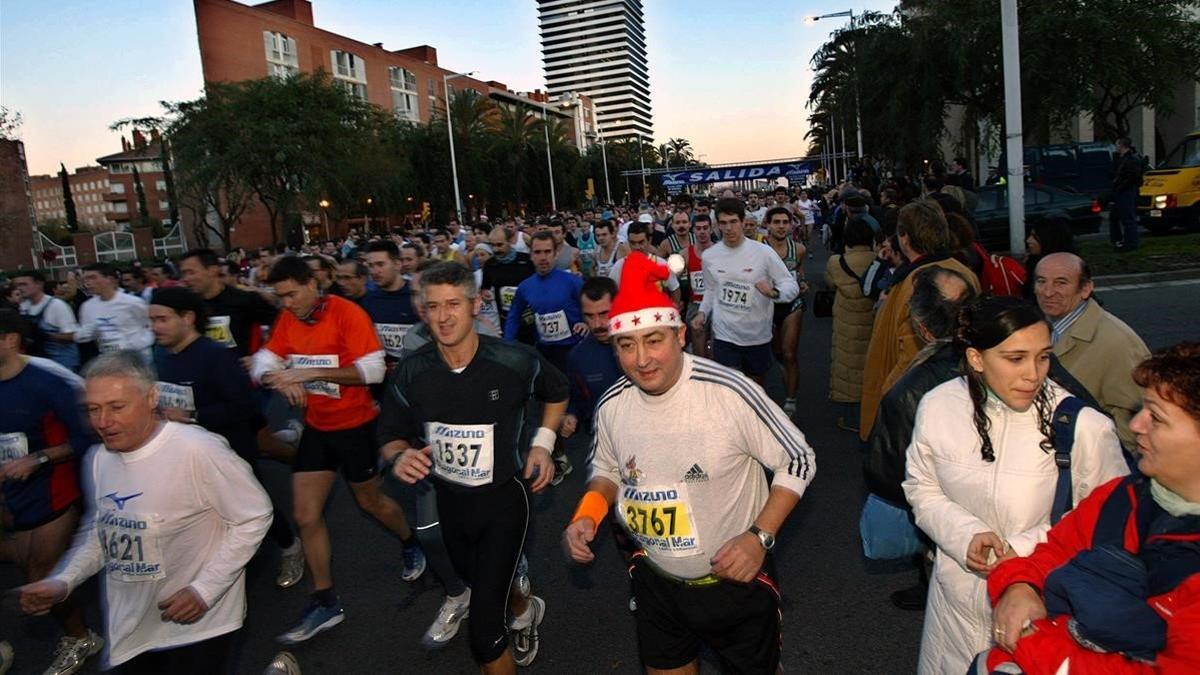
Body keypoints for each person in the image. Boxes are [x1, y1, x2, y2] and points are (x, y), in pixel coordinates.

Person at [563, 252, 816, 673]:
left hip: (737, 584)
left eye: (654, 341)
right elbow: (605, 468)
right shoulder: (612, 405)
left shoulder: (728, 391)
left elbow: (799, 459)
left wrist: (759, 537)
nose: (641, 360)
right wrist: (586, 515)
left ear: (679, 334)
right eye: (627, 345)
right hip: (656, 583)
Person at [902, 297, 1128, 674]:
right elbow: (920, 487)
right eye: (1015, 358)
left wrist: (1017, 552)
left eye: (1043, 357)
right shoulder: (938, 405)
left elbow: (1110, 523)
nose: (1034, 374)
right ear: (976, 358)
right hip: (952, 610)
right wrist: (965, 534)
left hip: (1043, 617)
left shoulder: (1084, 427)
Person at [17, 350, 273, 673]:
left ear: (151, 397)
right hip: (132, 626)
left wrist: (205, 589)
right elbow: (101, 531)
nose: (102, 422)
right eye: (93, 409)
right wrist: (64, 581)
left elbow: (254, 515)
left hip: (201, 623)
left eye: (116, 407)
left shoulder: (197, 449)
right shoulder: (99, 458)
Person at [382, 261, 568, 671]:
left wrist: (542, 444)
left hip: (505, 501)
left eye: (453, 304)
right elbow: (390, 435)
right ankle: (524, 607)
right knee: (484, 584)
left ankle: (505, 617)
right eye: (433, 306)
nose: (443, 317)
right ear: (423, 312)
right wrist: (399, 456)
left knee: (483, 635)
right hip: (449, 503)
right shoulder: (412, 372)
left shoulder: (513, 359)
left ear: (475, 305)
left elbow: (557, 391)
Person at [983, 341, 1200, 674]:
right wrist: (1019, 586)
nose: (1136, 425)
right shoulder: (1120, 498)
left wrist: (1031, 642)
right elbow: (1051, 554)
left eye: (1155, 417)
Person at [249, 256, 424, 645]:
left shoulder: (347, 314)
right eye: (280, 297)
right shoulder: (290, 318)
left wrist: (310, 373)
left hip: (356, 427)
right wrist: (273, 376)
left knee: (371, 503)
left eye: (292, 294)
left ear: (313, 283)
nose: (287, 303)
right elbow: (263, 359)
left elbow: (374, 370)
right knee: (306, 516)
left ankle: (411, 542)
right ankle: (325, 600)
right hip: (317, 428)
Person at [148, 288, 303, 592]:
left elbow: (244, 406)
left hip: (229, 448)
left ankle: (289, 546)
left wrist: (192, 415)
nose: (155, 327)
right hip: (182, 451)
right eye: (151, 320)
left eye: (162, 319)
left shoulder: (216, 357)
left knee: (251, 504)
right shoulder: (159, 355)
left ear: (188, 318)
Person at [0, 310, 102, 675]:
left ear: (9, 340)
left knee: (38, 579)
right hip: (10, 491)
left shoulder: (47, 382)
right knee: (23, 561)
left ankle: (80, 637)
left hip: (53, 487)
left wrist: (40, 458)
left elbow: (88, 433)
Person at [859, 200, 980, 441]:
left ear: (904, 238)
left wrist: (889, 400)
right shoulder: (960, 269)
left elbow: (911, 355)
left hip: (917, 404)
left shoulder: (918, 280)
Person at [1035, 252, 1150, 449]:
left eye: (1061, 283)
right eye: (1041, 281)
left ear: (1086, 288)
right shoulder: (1045, 328)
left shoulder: (1117, 342)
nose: (1047, 292)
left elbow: (1134, 425)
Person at [692, 198, 799, 382]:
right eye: (723, 223)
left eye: (733, 222)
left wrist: (774, 293)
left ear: (742, 222)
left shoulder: (763, 252)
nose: (728, 228)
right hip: (724, 334)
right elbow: (711, 289)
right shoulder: (710, 256)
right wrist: (702, 312)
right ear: (717, 225)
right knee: (729, 389)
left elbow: (789, 284)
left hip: (757, 334)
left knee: (754, 386)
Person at [503, 231, 587, 375]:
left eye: (547, 252)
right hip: (544, 351)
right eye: (538, 252)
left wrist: (587, 324)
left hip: (575, 348)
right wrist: (507, 345)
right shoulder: (525, 287)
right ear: (531, 255)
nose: (543, 257)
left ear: (556, 254)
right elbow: (514, 317)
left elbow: (592, 308)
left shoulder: (573, 282)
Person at [824, 218, 877, 431]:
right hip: (872, 319)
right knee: (871, 363)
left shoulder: (837, 262)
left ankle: (852, 419)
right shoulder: (879, 260)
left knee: (847, 366)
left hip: (847, 319)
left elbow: (829, 283)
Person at [559, 277, 621, 444]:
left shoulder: (646, 346)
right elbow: (577, 398)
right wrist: (571, 415)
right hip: (604, 443)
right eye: (589, 316)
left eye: (603, 314)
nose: (597, 324)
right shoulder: (578, 356)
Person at [764, 206, 809, 417]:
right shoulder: (758, 248)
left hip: (792, 305)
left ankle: (791, 401)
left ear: (791, 225)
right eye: (777, 222)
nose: (781, 227)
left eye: (785, 222)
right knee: (777, 352)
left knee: (790, 353)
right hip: (766, 306)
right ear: (768, 225)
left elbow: (800, 272)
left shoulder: (798, 249)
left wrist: (802, 283)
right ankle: (783, 366)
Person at [74, 262, 154, 361]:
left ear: (109, 279)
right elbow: (85, 334)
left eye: (93, 277)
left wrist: (133, 345)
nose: (88, 282)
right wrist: (82, 334)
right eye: (86, 279)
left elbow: (150, 327)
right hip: (109, 359)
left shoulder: (132, 302)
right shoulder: (87, 306)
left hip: (138, 358)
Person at [360, 241, 420, 365]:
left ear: (397, 264)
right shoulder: (367, 301)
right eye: (370, 266)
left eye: (380, 264)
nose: (374, 271)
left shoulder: (417, 296)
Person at [14, 270, 81, 371]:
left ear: (39, 284)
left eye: (24, 284)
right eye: (18, 285)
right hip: (38, 363)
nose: (20, 288)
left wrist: (46, 336)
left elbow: (73, 336)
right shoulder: (24, 306)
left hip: (62, 364)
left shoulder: (57, 305)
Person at [480, 226, 535, 342]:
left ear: (510, 242)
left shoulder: (527, 260)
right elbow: (485, 287)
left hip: (530, 319)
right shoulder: (490, 264)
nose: (495, 250)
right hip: (506, 320)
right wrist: (484, 293)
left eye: (500, 245)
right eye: (492, 245)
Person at [608, 222, 682, 304]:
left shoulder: (660, 264)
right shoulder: (620, 266)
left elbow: (675, 289)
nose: (637, 247)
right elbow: (610, 293)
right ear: (628, 242)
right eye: (633, 243)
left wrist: (673, 310)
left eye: (641, 242)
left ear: (648, 240)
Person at [683, 213, 714, 358]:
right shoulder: (686, 254)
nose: (702, 232)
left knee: (716, 351)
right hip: (695, 305)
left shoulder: (720, 252)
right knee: (699, 353)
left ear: (711, 229)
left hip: (716, 305)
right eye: (698, 228)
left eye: (705, 228)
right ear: (693, 230)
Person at [1109, 136, 1144, 251]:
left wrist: (1119, 186)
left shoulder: (1131, 159)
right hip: (1121, 191)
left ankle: (1131, 243)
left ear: (1121, 145)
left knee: (1128, 218)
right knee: (1115, 217)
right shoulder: (1122, 158)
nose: (1116, 147)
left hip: (1126, 192)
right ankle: (1119, 241)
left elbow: (1132, 177)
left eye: (1117, 144)